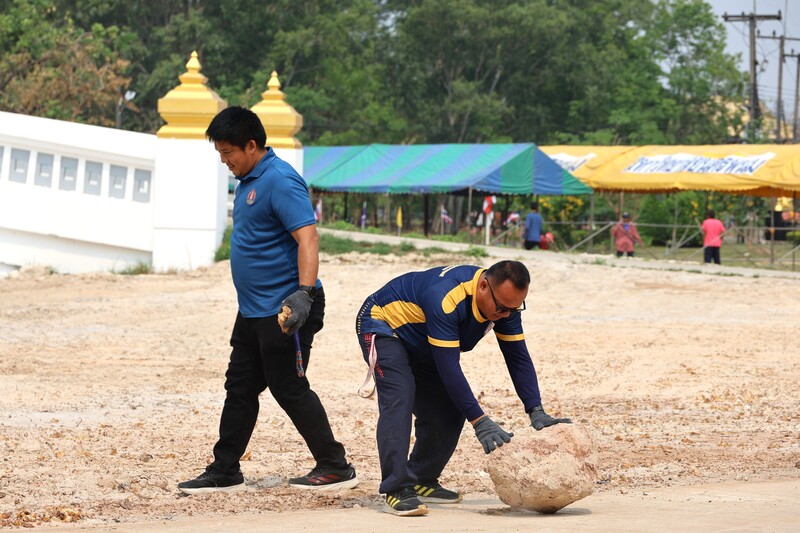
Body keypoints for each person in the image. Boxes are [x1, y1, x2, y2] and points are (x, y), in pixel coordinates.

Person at [178, 106, 357, 494]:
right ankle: (225, 469)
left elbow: (307, 237)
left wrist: (304, 295)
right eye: (220, 154)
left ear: (252, 145)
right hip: (253, 310)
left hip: (286, 308)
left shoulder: (279, 180)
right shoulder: (247, 180)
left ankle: (334, 464)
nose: (225, 161)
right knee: (239, 387)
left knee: (288, 386)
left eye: (229, 153)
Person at [355, 260, 571, 516]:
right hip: (383, 325)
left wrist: (535, 409)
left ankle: (422, 478)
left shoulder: (506, 307)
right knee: (399, 399)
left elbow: (518, 357)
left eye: (515, 309)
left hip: (421, 339)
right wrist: (480, 421)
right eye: (502, 308)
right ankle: (397, 488)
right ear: (482, 286)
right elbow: (449, 369)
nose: (506, 316)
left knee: (450, 408)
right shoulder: (446, 298)